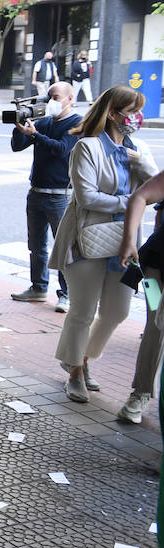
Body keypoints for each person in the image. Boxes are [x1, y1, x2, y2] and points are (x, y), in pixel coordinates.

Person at [49, 85, 157, 403]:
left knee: (117, 311)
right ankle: (75, 371)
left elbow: (157, 186)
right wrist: (131, 200)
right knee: (82, 311)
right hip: (87, 238)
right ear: (113, 113)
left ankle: (81, 357)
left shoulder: (137, 148)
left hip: (125, 242)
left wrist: (139, 163)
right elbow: (87, 197)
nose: (136, 118)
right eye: (131, 111)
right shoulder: (88, 148)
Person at [11, 81, 81, 311]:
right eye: (49, 96)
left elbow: (62, 150)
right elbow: (17, 146)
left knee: (64, 247)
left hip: (60, 195)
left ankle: (67, 293)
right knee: (37, 246)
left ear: (70, 98)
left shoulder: (77, 123)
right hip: (36, 192)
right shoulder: (43, 122)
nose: (52, 101)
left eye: (57, 96)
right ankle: (38, 288)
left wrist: (36, 134)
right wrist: (19, 124)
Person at [119, 175, 164, 425]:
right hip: (154, 265)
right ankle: (140, 394)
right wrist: (128, 239)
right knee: (157, 324)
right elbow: (140, 196)